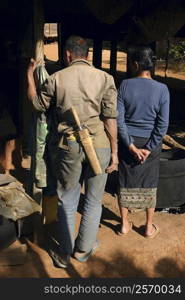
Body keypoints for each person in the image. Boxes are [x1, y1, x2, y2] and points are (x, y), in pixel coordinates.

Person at [27, 35, 118, 268]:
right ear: (87, 55)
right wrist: (115, 152)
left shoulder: (57, 79)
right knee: (94, 199)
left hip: (68, 145)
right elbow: (110, 120)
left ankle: (64, 254)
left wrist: (29, 75)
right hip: (100, 144)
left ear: (67, 55)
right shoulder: (105, 78)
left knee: (67, 196)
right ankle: (83, 249)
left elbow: (37, 105)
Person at [117, 46, 170, 238]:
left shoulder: (124, 86)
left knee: (124, 181)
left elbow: (119, 121)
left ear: (136, 64)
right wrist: (148, 148)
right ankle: (148, 227)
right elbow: (162, 125)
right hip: (151, 144)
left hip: (127, 142)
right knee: (149, 182)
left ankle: (124, 224)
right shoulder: (162, 89)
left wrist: (130, 145)